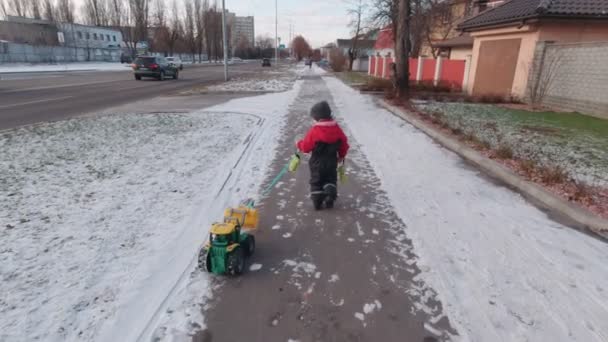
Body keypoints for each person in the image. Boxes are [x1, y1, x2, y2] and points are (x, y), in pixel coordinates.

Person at [296, 101, 349, 210]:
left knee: (316, 180)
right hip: (332, 161)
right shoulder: (337, 129)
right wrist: (341, 155)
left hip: (317, 162)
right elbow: (344, 143)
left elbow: (306, 147)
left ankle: (317, 202)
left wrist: (298, 143)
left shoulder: (315, 131)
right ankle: (330, 195)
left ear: (317, 118)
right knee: (330, 178)